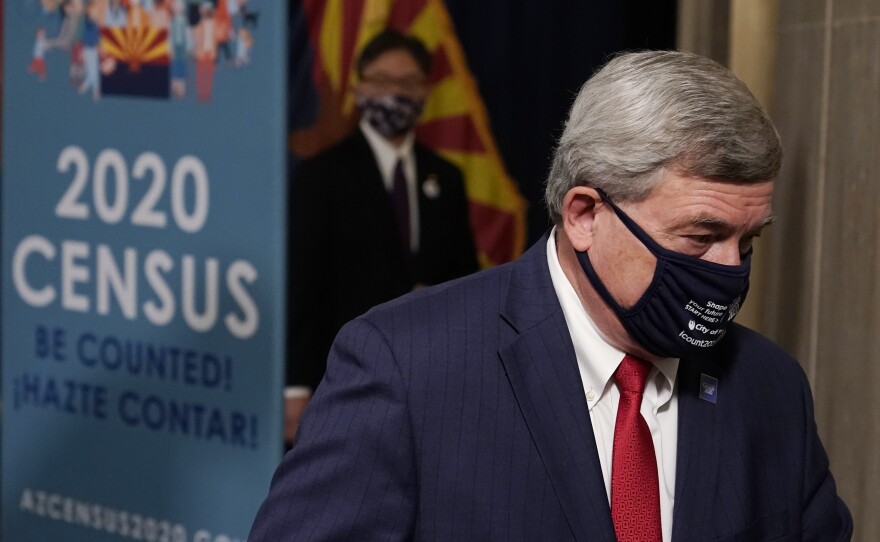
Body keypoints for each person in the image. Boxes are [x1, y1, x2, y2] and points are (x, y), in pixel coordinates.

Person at [253, 50, 852, 541]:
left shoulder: (773, 390)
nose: (729, 271)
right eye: (701, 237)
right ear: (586, 215)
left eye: (747, 242)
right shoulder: (405, 368)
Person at [283, 29, 478, 441]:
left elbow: (466, 280)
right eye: (382, 82)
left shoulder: (446, 177)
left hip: (433, 373)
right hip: (345, 372)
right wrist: (296, 388)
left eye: (407, 84)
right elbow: (304, 288)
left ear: (425, 92)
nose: (395, 93)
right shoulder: (322, 176)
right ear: (358, 88)